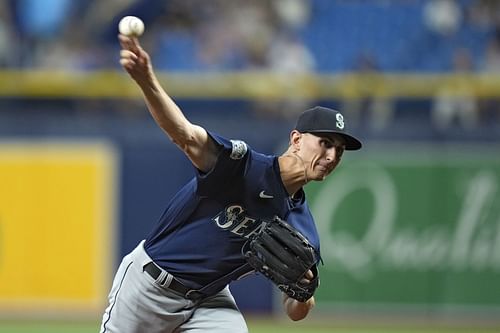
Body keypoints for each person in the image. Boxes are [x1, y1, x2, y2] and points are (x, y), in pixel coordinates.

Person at [100, 33, 362, 333]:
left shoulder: (303, 227)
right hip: (150, 285)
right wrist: (146, 79)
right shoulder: (242, 166)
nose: (331, 155)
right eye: (325, 143)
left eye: (338, 151)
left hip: (209, 299)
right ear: (297, 139)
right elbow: (184, 135)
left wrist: (304, 293)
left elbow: (294, 310)